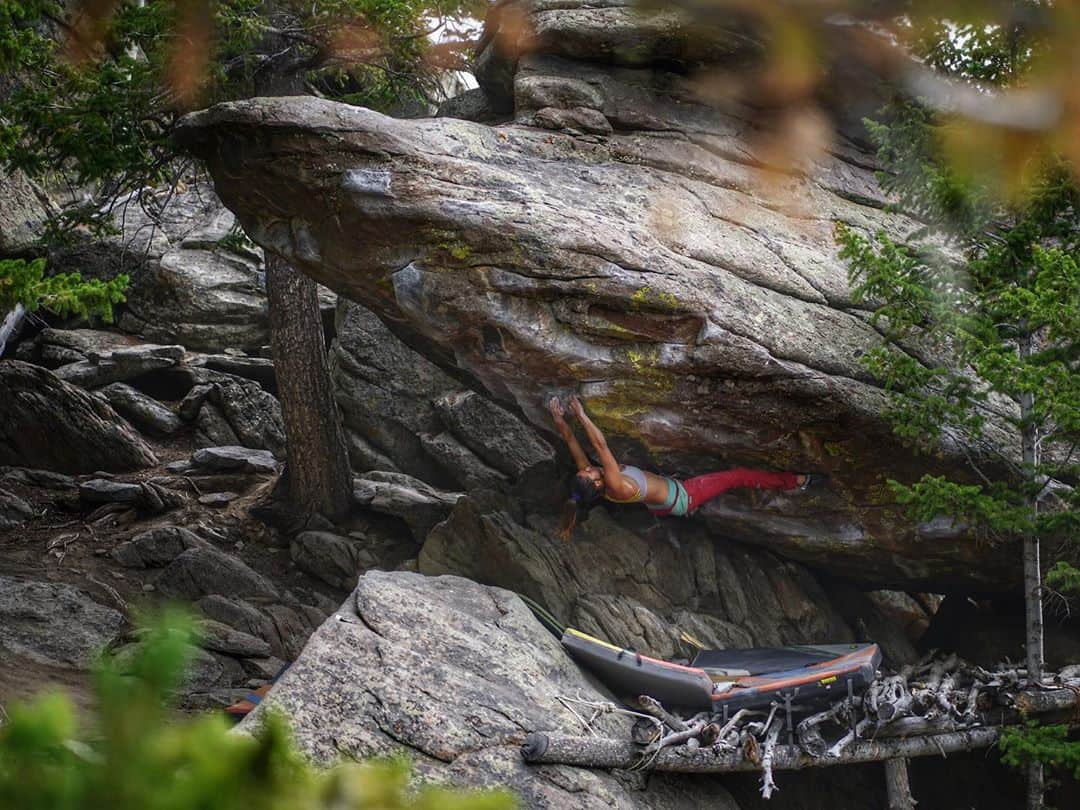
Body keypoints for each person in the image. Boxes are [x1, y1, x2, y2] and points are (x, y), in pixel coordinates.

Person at [547, 396, 812, 539]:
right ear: (596, 484)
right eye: (590, 472)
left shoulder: (596, 483)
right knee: (737, 476)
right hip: (683, 495)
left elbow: (571, 441)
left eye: (586, 469)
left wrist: (558, 418)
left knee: (657, 501)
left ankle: (669, 516)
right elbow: (602, 447)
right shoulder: (615, 486)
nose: (590, 468)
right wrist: (581, 415)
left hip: (659, 503)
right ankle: (794, 482)